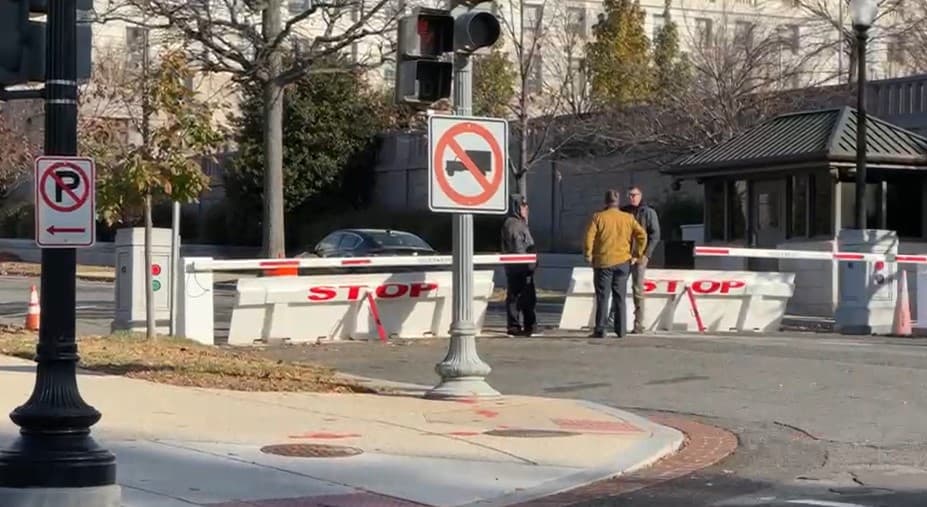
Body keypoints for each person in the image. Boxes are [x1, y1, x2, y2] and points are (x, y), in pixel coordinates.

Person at [583, 189, 647, 338]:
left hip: (603, 262)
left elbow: (589, 237)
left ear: (606, 202)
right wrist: (637, 254)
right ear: (618, 202)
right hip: (623, 262)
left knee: (603, 297)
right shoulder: (628, 218)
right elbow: (642, 235)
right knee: (620, 297)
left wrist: (588, 254)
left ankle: (601, 329)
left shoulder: (598, 217)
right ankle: (621, 330)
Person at [610, 186, 661, 334]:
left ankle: (638, 324)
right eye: (630, 195)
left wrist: (646, 255)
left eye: (635, 195)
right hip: (623, 256)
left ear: (640, 195)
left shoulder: (648, 212)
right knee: (618, 288)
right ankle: (615, 322)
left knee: (637, 291)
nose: (632, 197)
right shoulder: (623, 211)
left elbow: (655, 235)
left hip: (640, 257)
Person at [501, 194, 538, 336]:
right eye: (523, 206)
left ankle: (529, 325)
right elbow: (517, 246)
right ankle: (515, 326)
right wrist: (526, 263)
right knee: (516, 297)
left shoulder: (520, 223)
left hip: (524, 266)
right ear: (516, 207)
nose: (526, 208)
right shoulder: (512, 224)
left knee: (528, 296)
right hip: (518, 267)